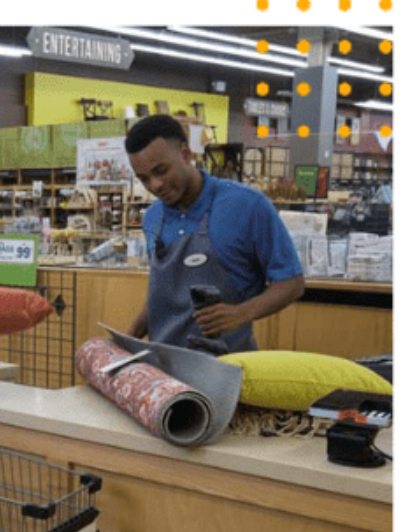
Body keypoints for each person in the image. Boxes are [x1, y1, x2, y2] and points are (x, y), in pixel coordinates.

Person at [124, 114, 305, 354]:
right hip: (165, 371)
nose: (155, 185)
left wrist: (241, 313)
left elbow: (292, 283)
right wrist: (127, 339)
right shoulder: (152, 217)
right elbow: (165, 296)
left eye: (161, 170)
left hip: (226, 368)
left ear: (187, 155)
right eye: (144, 178)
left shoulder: (246, 205)